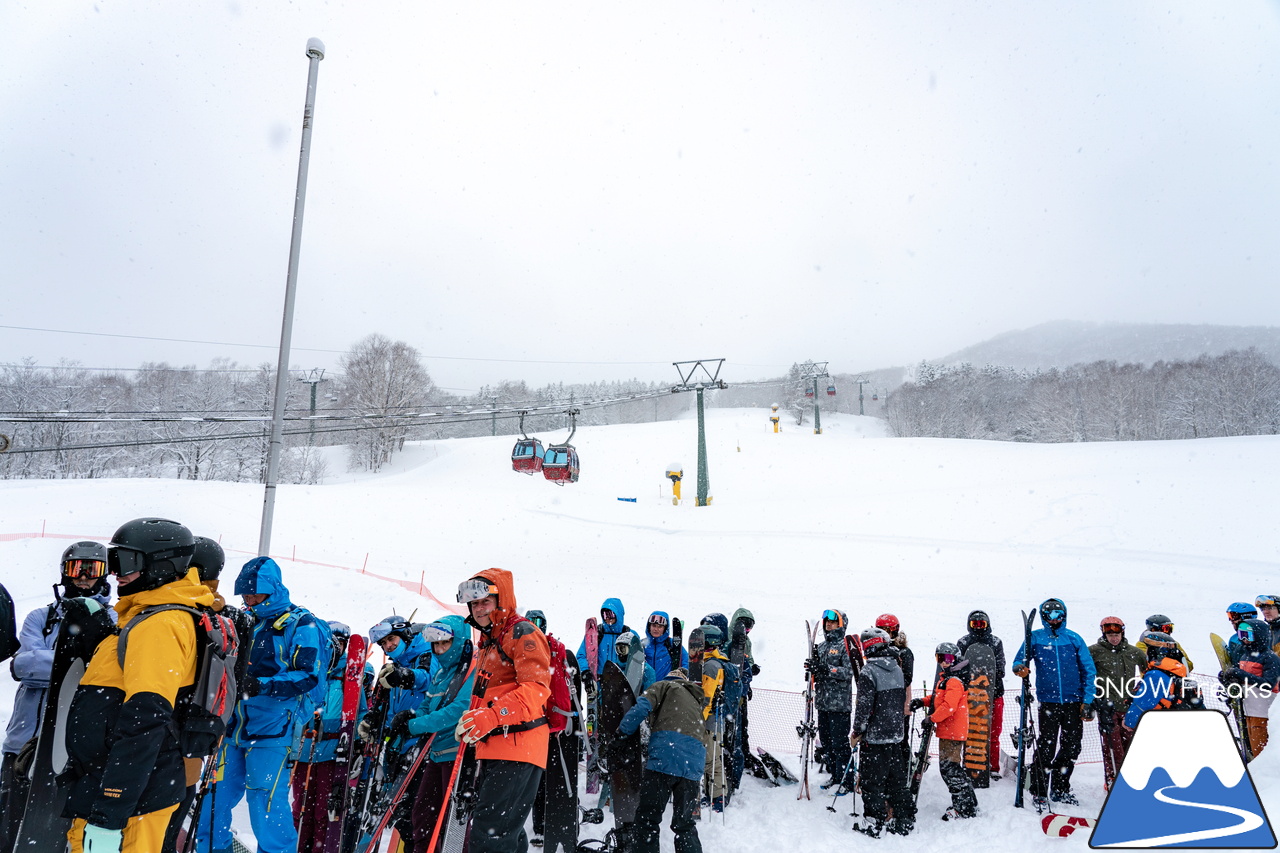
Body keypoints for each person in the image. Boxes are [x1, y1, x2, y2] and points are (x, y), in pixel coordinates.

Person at [62, 518, 210, 853]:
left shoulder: (160, 625)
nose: (115, 572)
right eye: (114, 561)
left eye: (126, 561)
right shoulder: (143, 618)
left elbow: (145, 722)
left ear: (160, 564)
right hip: (113, 785)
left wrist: (111, 812)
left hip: (131, 801)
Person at [196, 556, 327, 853]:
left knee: (265, 803)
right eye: (246, 595)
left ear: (273, 589)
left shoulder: (300, 623)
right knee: (213, 799)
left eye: (256, 594)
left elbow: (308, 676)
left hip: (272, 729)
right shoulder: (243, 619)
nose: (250, 600)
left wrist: (261, 685)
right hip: (232, 726)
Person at [1, 541, 115, 851]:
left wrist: (51, 661)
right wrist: (74, 661)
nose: (83, 577)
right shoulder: (43, 616)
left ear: (104, 574)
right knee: (9, 824)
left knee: (60, 828)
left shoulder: (114, 620)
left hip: (73, 746)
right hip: (24, 740)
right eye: (76, 569)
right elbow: (23, 665)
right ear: (65, 571)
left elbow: (104, 672)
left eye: (92, 570)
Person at [161, 535, 255, 853]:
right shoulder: (229, 619)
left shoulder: (172, 612)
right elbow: (240, 680)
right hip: (198, 734)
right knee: (173, 813)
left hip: (159, 731)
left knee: (152, 823)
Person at [455, 569, 552, 853]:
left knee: (490, 835)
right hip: (497, 745)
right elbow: (489, 693)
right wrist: (472, 721)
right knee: (504, 831)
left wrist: (492, 716)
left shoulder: (522, 632)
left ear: (501, 599)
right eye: (474, 604)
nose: (479, 608)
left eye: (485, 601)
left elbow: (535, 689)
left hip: (518, 744)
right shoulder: (489, 640)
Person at [389, 616, 475, 853]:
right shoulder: (441, 675)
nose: (439, 650)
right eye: (435, 645)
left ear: (457, 641)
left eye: (444, 644)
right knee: (422, 814)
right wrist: (411, 717)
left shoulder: (470, 670)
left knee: (453, 821)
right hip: (436, 753)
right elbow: (428, 706)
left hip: (458, 755)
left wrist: (416, 726)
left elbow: (459, 710)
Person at [1012, 597, 1096, 809]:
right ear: (1044, 617)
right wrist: (1019, 668)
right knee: (1046, 745)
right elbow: (1019, 660)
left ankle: (1060, 788)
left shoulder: (1074, 639)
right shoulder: (1036, 638)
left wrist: (1087, 700)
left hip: (1073, 702)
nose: (1055, 619)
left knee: (1071, 746)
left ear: (1064, 615)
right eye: (1050, 615)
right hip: (1048, 701)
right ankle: (1039, 790)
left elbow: (1089, 670)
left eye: (1058, 615)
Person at [291, 621, 368, 853]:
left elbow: (360, 710)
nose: (335, 649)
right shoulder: (308, 669)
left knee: (323, 811)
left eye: (340, 644)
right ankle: (298, 848)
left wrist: (359, 737)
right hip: (304, 751)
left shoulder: (348, 675)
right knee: (301, 809)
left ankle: (319, 849)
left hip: (332, 751)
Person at [619, 667, 709, 853]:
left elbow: (642, 708)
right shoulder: (695, 703)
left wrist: (621, 733)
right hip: (693, 766)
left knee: (647, 818)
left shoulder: (665, 685)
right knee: (684, 824)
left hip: (666, 758)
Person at [849, 627, 914, 838]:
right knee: (896, 780)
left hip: (875, 738)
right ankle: (904, 819)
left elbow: (864, 706)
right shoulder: (896, 668)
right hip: (895, 735)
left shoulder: (869, 671)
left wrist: (857, 730)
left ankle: (873, 822)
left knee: (872, 782)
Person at [912, 643, 976, 820]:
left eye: (947, 658)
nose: (943, 663)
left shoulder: (954, 680)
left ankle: (963, 807)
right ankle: (968, 803)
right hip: (950, 730)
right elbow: (939, 698)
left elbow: (949, 706)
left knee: (950, 770)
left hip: (952, 732)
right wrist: (923, 701)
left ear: (955, 659)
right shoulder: (948, 678)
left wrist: (931, 718)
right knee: (952, 768)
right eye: (940, 658)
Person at [1088, 616, 1146, 791]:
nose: (1114, 637)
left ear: (1123, 632)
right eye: (1110, 634)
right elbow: (1086, 674)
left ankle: (1132, 778)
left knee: (1130, 744)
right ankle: (1113, 779)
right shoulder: (1094, 651)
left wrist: (1138, 693)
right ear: (1104, 633)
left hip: (1128, 707)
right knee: (1112, 746)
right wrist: (1093, 700)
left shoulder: (1134, 652)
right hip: (1107, 707)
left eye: (1117, 633)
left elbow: (1147, 675)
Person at [1219, 618, 1280, 759]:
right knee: (1251, 746)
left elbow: (1268, 684)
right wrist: (1228, 678)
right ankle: (1254, 771)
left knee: (1261, 749)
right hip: (1247, 708)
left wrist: (1241, 674)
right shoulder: (1245, 654)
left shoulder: (1270, 658)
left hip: (1263, 711)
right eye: (1242, 635)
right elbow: (1243, 677)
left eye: (1248, 635)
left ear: (1260, 636)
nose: (1245, 639)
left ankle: (1265, 774)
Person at [956, 609, 1006, 778]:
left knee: (993, 731)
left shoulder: (995, 642)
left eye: (981, 624)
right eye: (974, 624)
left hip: (993, 693)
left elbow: (1001, 668)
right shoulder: (963, 642)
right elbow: (958, 666)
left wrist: (990, 676)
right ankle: (970, 764)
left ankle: (992, 766)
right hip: (971, 695)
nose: (978, 628)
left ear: (987, 625)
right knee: (971, 731)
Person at [808, 609, 854, 789]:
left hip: (839, 705)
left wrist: (827, 669)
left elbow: (848, 672)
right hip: (823, 703)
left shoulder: (844, 646)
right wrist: (813, 669)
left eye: (833, 622)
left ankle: (846, 780)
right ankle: (835, 776)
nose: (828, 624)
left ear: (841, 624)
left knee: (840, 744)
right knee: (826, 743)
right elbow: (818, 673)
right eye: (827, 621)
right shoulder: (822, 646)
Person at [695, 625, 738, 813]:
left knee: (712, 760)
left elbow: (707, 696)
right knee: (709, 758)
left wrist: (697, 720)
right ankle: (710, 793)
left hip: (710, 719)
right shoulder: (710, 661)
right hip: (712, 718)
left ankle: (718, 797)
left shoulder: (711, 665)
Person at [1123, 631, 1204, 729]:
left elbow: (1141, 706)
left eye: (1148, 649)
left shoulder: (1155, 676)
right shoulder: (1176, 672)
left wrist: (1128, 722)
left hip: (1157, 728)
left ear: (1154, 651)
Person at [727, 608, 759, 788]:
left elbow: (748, 662)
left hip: (742, 689)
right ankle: (735, 757)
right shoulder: (729, 639)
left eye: (750, 626)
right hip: (732, 690)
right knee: (735, 726)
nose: (747, 630)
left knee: (742, 724)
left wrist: (752, 670)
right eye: (744, 625)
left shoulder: (747, 642)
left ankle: (744, 755)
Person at [577, 598, 630, 678]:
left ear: (618, 614)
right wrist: (586, 671)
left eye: (611, 614)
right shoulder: (596, 634)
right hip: (600, 682)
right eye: (605, 615)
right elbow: (581, 655)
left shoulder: (627, 635)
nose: (608, 618)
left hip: (622, 683)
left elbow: (637, 662)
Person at [641, 612, 687, 681]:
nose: (656, 629)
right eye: (653, 625)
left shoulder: (672, 644)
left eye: (660, 626)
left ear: (665, 628)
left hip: (666, 688)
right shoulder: (642, 644)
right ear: (649, 626)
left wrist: (681, 674)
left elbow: (686, 662)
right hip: (646, 688)